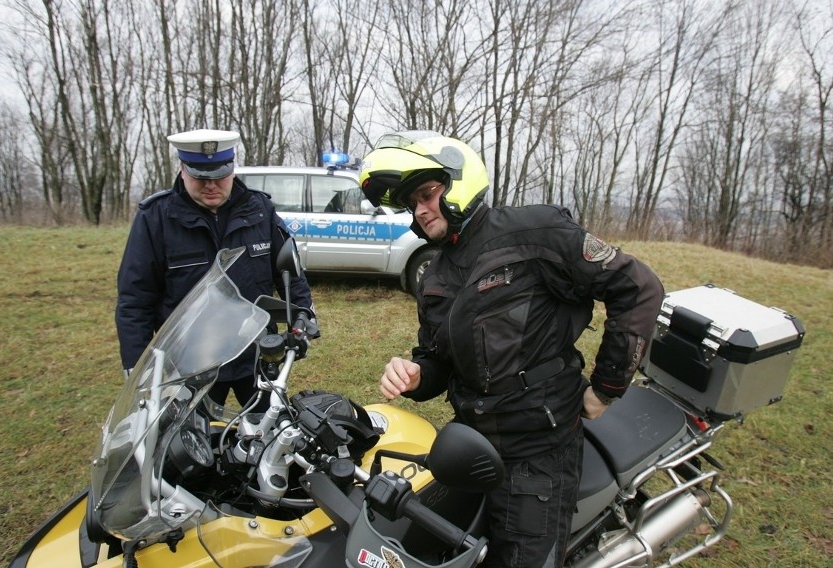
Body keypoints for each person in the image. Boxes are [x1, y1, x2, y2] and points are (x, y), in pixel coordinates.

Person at [359, 130, 664, 567]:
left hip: (538, 445)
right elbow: (438, 360)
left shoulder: (536, 231)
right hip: (471, 441)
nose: (421, 210)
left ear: (458, 180)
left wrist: (607, 386)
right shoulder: (435, 274)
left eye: (427, 194)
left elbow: (638, 287)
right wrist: (416, 374)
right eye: (412, 204)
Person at [115, 128, 316, 410]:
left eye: (220, 176)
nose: (211, 186)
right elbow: (135, 300)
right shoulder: (157, 217)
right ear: (183, 170)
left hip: (256, 353)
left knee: (269, 435)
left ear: (232, 170)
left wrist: (303, 314)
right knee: (189, 446)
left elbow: (291, 272)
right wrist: (137, 367)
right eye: (200, 177)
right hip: (190, 363)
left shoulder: (260, 209)